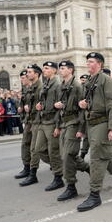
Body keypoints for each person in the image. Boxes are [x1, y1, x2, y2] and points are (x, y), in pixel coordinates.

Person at [77, 52, 112, 212]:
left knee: (96, 158)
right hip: (92, 123)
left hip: (102, 123)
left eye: (91, 62)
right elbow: (93, 102)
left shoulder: (106, 80)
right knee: (105, 155)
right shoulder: (90, 81)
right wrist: (84, 104)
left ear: (99, 64)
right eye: (87, 62)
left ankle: (94, 195)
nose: (88, 64)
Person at [54, 60, 90, 201]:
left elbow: (83, 109)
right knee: (67, 154)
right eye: (60, 68)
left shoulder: (77, 86)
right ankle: (88, 168)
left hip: (74, 123)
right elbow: (61, 107)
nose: (60, 71)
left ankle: (71, 187)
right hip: (64, 123)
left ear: (70, 70)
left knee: (68, 155)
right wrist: (57, 125)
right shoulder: (61, 86)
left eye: (63, 68)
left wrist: (81, 128)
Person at [34, 61, 65, 192]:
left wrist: (58, 126)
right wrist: (39, 105)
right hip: (43, 120)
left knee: (54, 151)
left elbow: (60, 106)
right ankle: (60, 166)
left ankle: (58, 178)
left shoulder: (57, 85)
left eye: (46, 68)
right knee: (39, 149)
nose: (44, 71)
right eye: (44, 68)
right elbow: (44, 100)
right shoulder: (46, 84)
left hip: (53, 121)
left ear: (54, 70)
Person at [15, 70, 32, 179]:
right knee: (26, 144)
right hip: (28, 120)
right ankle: (27, 168)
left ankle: (58, 166)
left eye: (23, 78)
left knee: (41, 148)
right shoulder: (24, 89)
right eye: (21, 78)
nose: (22, 80)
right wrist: (21, 108)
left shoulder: (34, 88)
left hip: (37, 121)